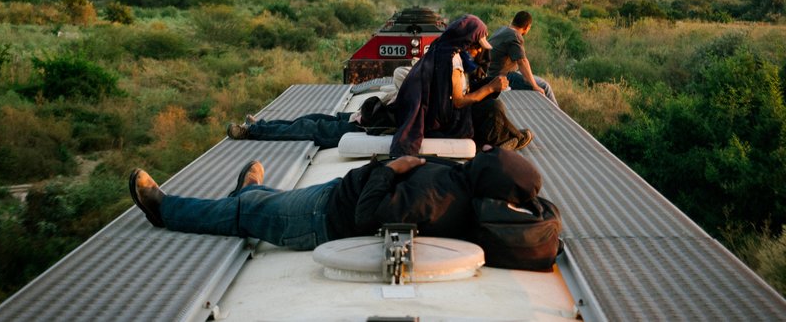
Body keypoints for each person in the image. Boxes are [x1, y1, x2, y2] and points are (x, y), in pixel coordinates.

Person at [128, 145, 543, 250]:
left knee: (245, 214)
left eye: (493, 158)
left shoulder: (438, 200)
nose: (486, 153)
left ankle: (165, 210)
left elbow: (367, 216)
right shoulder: (462, 185)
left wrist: (390, 170)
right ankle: (251, 190)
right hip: (334, 195)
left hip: (322, 217)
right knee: (262, 202)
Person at [390, 14, 530, 157]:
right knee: (493, 108)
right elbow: (458, 101)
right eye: (477, 46)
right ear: (467, 42)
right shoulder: (453, 61)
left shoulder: (442, 49)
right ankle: (508, 139)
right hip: (449, 122)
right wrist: (490, 88)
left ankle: (510, 136)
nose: (480, 51)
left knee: (490, 100)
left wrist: (488, 84)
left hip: (438, 114)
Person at [225, 66, 411, 148]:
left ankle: (250, 132)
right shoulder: (424, 89)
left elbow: (399, 74)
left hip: (370, 128)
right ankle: (263, 125)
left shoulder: (425, 93)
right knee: (311, 118)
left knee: (308, 128)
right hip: (367, 117)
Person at [487, 11, 558, 106]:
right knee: (544, 86)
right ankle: (554, 117)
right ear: (526, 27)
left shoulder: (502, 30)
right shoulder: (514, 36)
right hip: (501, 76)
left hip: (492, 72)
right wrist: (534, 86)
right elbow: (522, 62)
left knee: (535, 80)